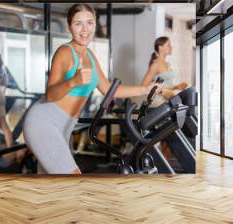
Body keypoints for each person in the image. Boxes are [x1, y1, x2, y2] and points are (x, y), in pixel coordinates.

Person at [23, 3, 162, 175]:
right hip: (44, 122)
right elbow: (50, 95)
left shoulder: (90, 56)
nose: (85, 29)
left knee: (52, 187)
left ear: (95, 24)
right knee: (73, 178)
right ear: (69, 26)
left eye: (89, 22)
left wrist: (146, 89)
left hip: (65, 127)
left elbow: (111, 90)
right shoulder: (65, 52)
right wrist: (73, 81)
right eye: (78, 23)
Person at [141, 36, 188, 106]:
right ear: (160, 47)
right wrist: (161, 91)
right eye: (168, 45)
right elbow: (144, 86)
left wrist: (177, 87)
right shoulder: (155, 64)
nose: (171, 47)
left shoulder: (168, 64)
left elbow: (166, 84)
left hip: (169, 99)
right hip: (159, 102)